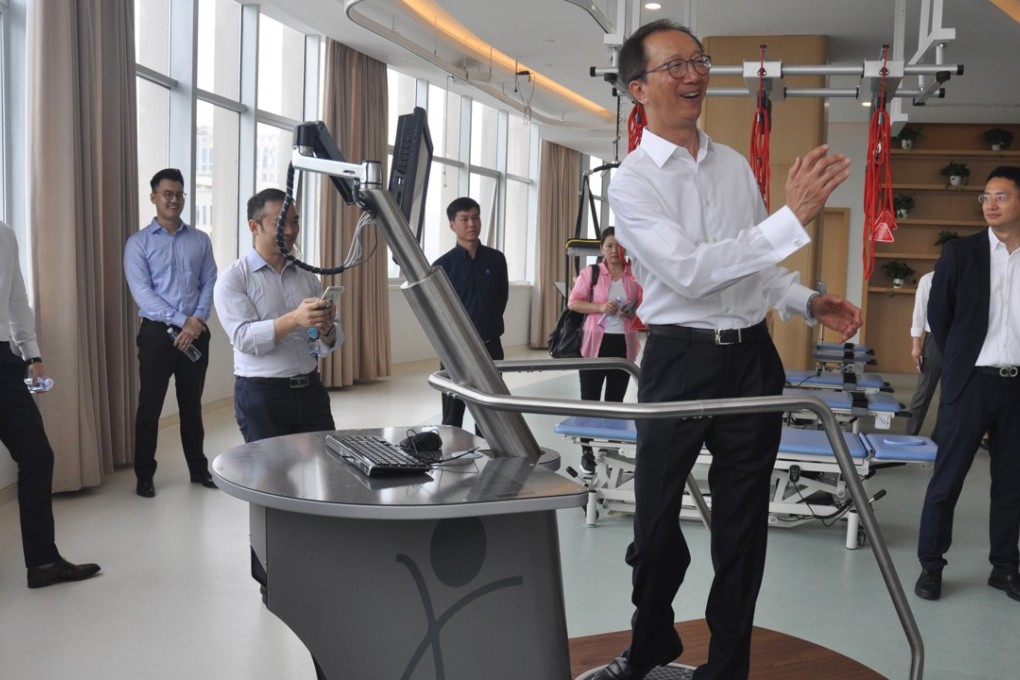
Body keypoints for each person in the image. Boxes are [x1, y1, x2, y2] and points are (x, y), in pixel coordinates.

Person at [595, 20, 861, 680]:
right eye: (674, 66)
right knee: (655, 529)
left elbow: (753, 269)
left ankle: (727, 668)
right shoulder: (631, 184)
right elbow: (688, 270)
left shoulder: (734, 166)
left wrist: (806, 301)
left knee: (743, 531)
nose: (694, 75)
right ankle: (651, 636)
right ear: (638, 89)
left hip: (750, 359)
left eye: (699, 61)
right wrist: (791, 217)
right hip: (679, 360)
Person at [914, 166, 1020, 603]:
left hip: (1017, 386)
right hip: (971, 381)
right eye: (985, 197)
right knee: (948, 479)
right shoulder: (962, 252)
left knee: (1011, 484)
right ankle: (931, 567)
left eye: (1001, 197)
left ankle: (1005, 568)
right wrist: (961, 358)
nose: (990, 205)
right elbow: (940, 315)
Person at [1, 220, 101, 588]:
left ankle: (43, 563)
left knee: (38, 455)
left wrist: (32, 355)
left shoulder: (4, 233)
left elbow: (15, 300)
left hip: (3, 360)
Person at [213, 188, 342, 443]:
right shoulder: (234, 278)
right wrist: (295, 319)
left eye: (294, 221)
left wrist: (327, 329)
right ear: (254, 226)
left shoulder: (307, 277)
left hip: (311, 392)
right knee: (270, 478)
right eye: (280, 223)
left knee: (326, 469)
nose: (291, 231)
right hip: (263, 397)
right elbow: (244, 338)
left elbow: (322, 342)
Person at [124, 168, 218, 498]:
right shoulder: (138, 243)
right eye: (168, 194)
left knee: (191, 405)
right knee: (150, 406)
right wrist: (184, 321)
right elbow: (143, 293)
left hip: (196, 332)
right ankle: (145, 476)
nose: (174, 199)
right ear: (154, 198)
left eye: (179, 194)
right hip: (156, 334)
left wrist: (198, 320)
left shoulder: (200, 239)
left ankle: (198, 469)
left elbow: (209, 281)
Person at [567, 227, 643, 474]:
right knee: (589, 400)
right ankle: (587, 453)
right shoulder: (591, 273)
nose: (614, 251)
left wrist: (633, 311)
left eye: (618, 246)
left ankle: (608, 452)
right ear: (601, 249)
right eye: (609, 246)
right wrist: (600, 306)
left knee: (615, 402)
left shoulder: (634, 275)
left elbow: (644, 303)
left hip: (623, 343)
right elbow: (574, 302)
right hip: (593, 345)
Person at [432, 197, 508, 430]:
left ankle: (491, 460)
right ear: (452, 224)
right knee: (452, 415)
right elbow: (439, 310)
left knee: (491, 414)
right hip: (454, 349)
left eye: (475, 217)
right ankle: (452, 458)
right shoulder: (441, 266)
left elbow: (501, 298)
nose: (471, 223)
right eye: (464, 219)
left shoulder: (496, 260)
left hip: (490, 346)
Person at [906, 269, 941, 441]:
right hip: (934, 340)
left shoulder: (965, 277)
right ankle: (910, 435)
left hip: (959, 341)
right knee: (924, 392)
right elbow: (919, 313)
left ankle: (939, 438)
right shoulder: (928, 279)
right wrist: (916, 344)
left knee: (950, 395)